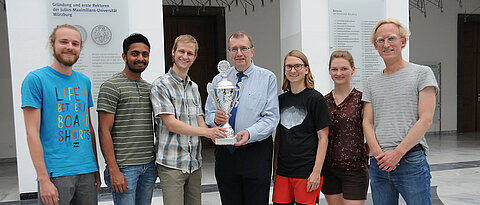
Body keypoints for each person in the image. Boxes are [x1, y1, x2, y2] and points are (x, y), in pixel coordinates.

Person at [21, 24, 100, 205]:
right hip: (56, 173)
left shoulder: (84, 81)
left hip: (86, 170)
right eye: (64, 42)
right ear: (52, 44)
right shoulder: (35, 80)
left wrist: (94, 166)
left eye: (75, 43)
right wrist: (43, 179)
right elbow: (32, 133)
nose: (70, 47)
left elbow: (87, 126)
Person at [363, 18, 438, 204]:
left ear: (403, 41)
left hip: (410, 161)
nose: (386, 44)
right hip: (378, 164)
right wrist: (379, 155)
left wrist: (397, 154)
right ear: (375, 45)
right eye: (380, 40)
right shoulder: (371, 82)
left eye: (391, 38)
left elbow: (426, 119)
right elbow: (367, 122)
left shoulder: (422, 73)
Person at [150, 34, 227, 205]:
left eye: (190, 53)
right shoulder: (160, 85)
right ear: (173, 52)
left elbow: (199, 118)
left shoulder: (194, 87)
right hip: (172, 164)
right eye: (181, 51)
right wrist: (207, 131)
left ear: (195, 57)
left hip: (194, 164)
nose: (185, 56)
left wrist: (214, 135)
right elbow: (171, 124)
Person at [205, 31, 280, 205]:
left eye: (244, 48)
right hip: (226, 153)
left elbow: (271, 117)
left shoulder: (267, 78)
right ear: (229, 53)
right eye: (234, 49)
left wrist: (249, 133)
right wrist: (215, 120)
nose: (239, 53)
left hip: (255, 151)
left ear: (252, 51)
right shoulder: (219, 79)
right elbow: (208, 113)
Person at [97, 33, 156, 205]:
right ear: (124, 56)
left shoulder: (149, 88)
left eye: (145, 54)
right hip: (124, 168)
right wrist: (114, 170)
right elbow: (104, 131)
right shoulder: (111, 86)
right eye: (135, 53)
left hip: (149, 167)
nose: (140, 58)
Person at [272, 50, 330, 205]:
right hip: (283, 171)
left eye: (297, 66)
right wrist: (275, 167)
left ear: (306, 69)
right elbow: (279, 136)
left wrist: (316, 172)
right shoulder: (280, 100)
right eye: (289, 67)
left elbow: (323, 138)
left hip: (306, 171)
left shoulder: (316, 99)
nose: (293, 70)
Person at [322, 50, 369, 205]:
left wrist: (364, 153)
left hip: (354, 170)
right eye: (334, 69)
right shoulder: (323, 101)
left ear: (353, 69)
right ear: (329, 71)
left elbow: (370, 130)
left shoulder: (361, 99)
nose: (339, 73)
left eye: (344, 69)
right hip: (329, 169)